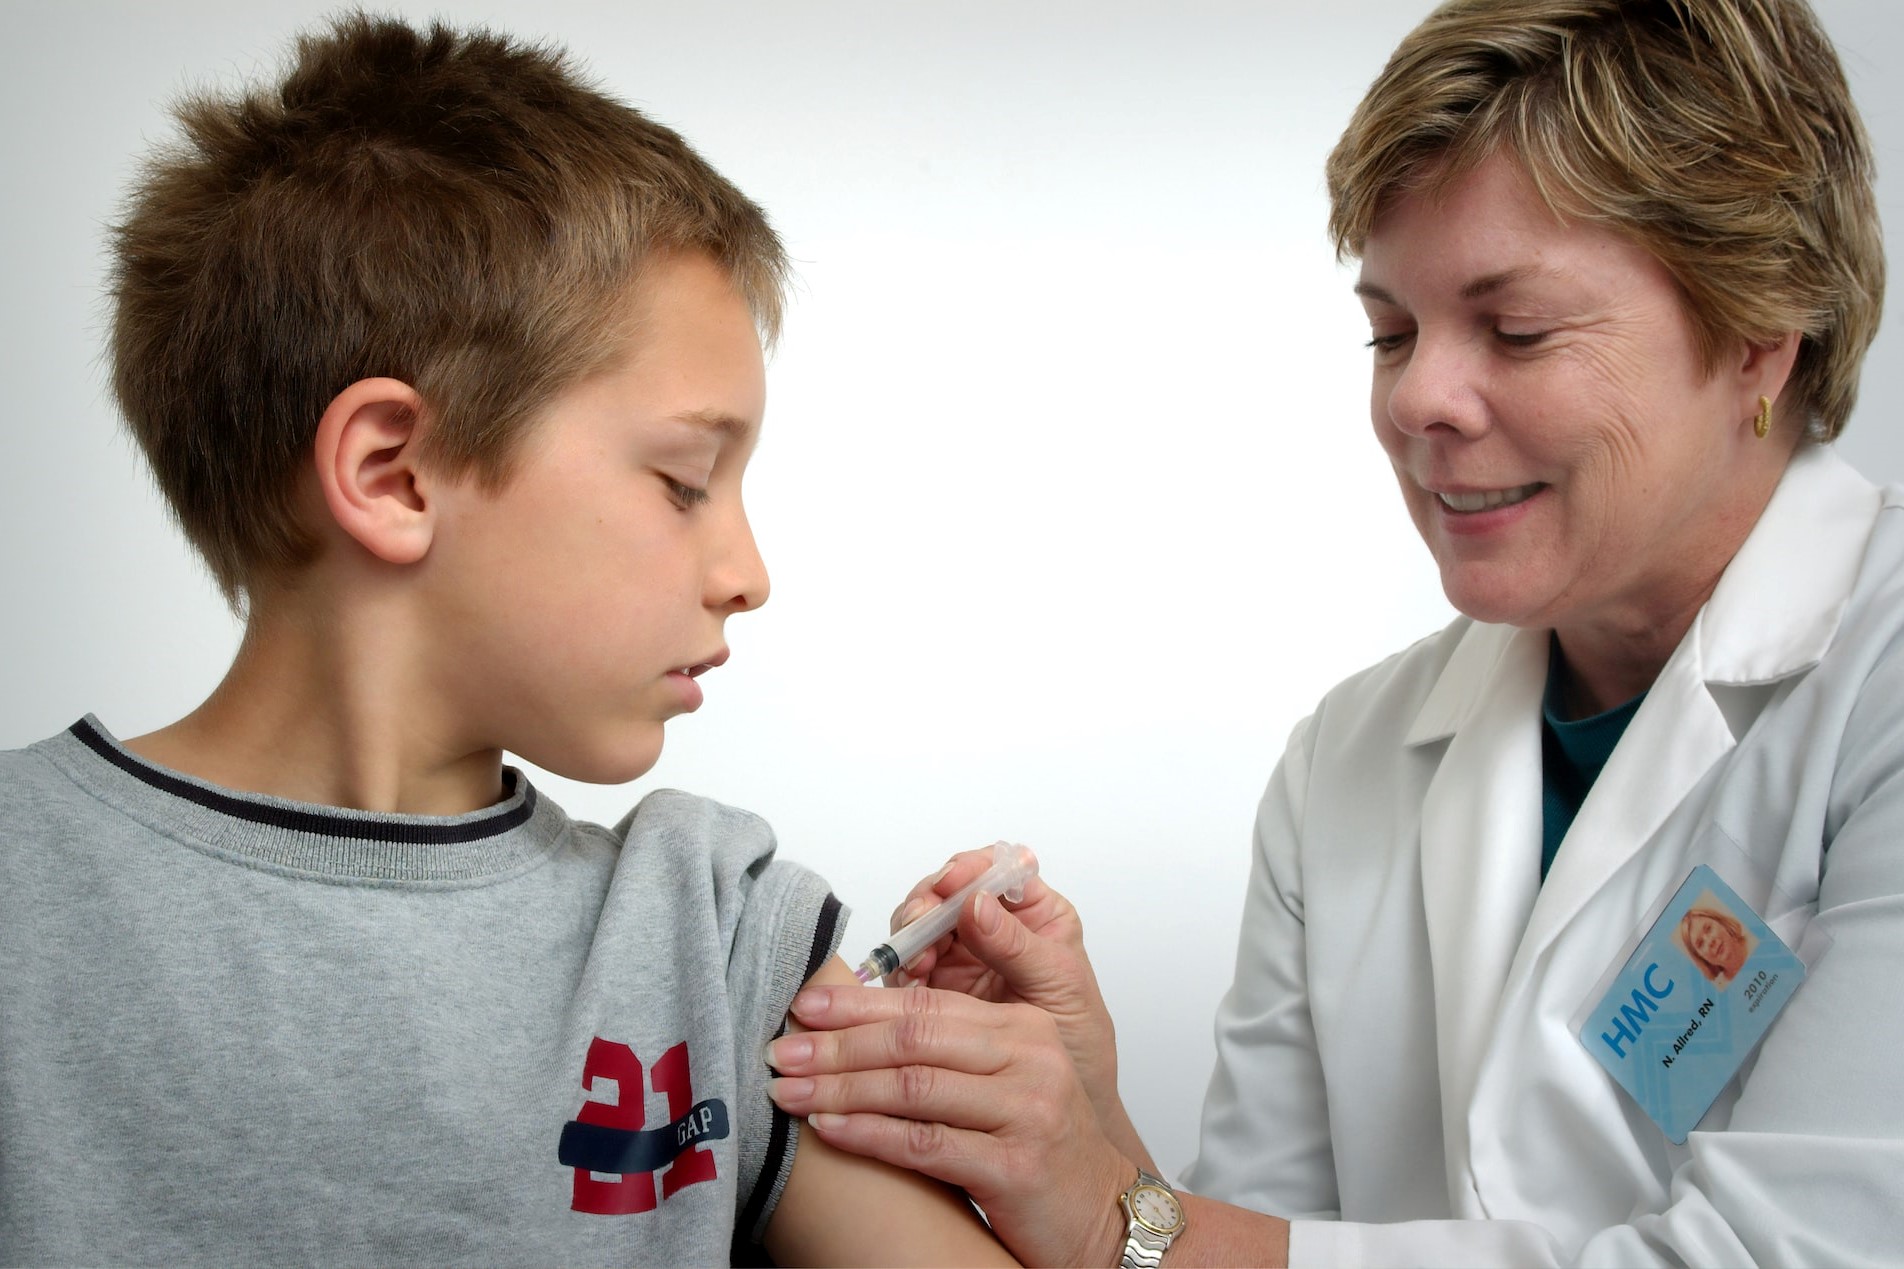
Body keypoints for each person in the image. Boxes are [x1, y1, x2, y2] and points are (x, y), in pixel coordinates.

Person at [764, 0, 1904, 1263]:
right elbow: (1243, 1244)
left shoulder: (1875, 683)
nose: (1415, 398)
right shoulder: (1348, 760)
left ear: (1757, 332)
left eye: (1513, 330)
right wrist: (1087, 1128)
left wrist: (1099, 1214)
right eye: (1390, 331)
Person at [0, 15, 1014, 1267]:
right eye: (685, 480)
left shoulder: (708, 939)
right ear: (395, 474)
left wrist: (1091, 1154)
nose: (748, 576)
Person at [1679, 904, 1752, 986]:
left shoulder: (1756, 938)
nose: (1710, 942)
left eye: (1708, 929)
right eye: (1700, 943)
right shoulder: (1720, 991)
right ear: (1701, 958)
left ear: (1721, 923)